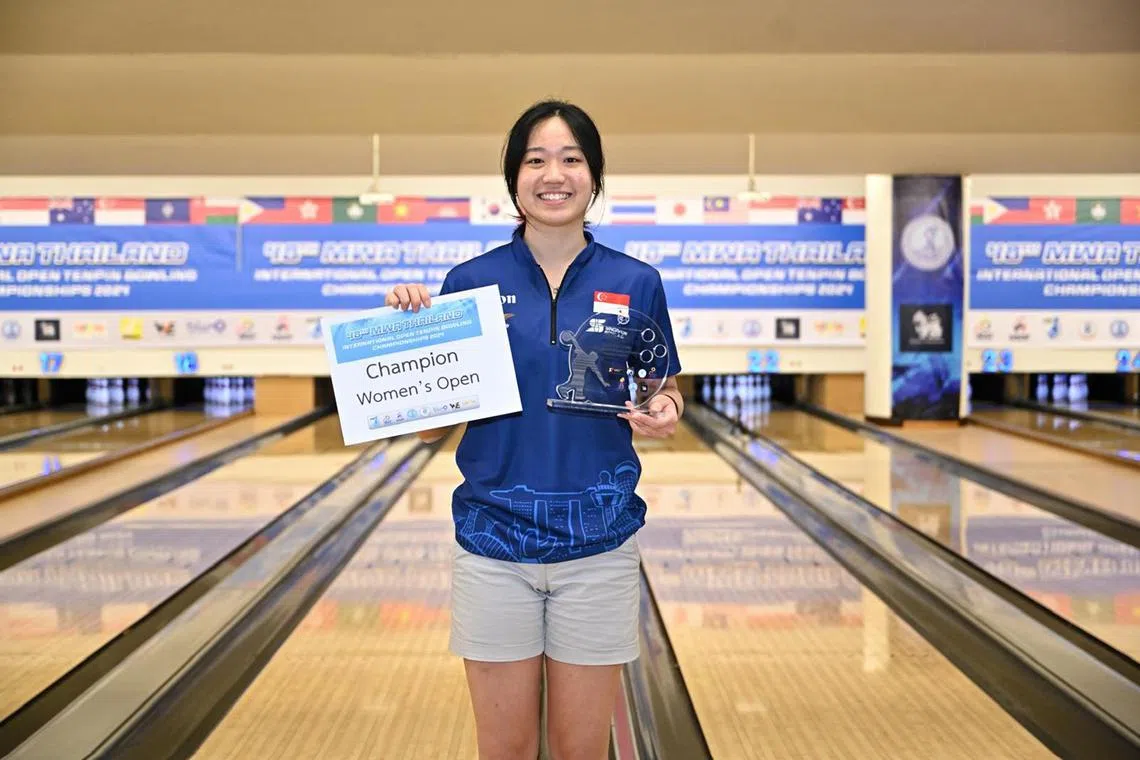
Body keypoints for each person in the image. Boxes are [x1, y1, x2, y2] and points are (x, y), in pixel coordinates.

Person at [385, 99, 683, 760]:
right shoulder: (471, 283)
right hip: (493, 546)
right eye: (536, 159)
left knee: (582, 752)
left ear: (594, 177)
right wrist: (410, 339)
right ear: (514, 178)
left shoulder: (636, 282)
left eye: (572, 159)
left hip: (599, 548)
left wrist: (667, 408)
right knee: (507, 752)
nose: (555, 174)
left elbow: (661, 386)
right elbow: (430, 431)